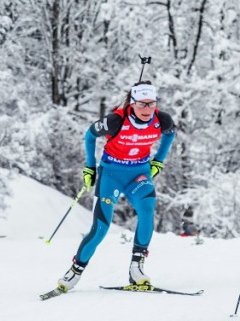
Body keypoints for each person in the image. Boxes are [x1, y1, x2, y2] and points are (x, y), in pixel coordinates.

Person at [56, 82, 176, 291]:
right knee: (101, 228)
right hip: (111, 174)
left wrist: (158, 160)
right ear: (132, 102)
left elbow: (170, 134)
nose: (147, 109)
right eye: (142, 104)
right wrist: (90, 167)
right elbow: (90, 135)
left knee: (147, 211)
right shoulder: (115, 121)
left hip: (139, 174)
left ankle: (136, 269)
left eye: (151, 104)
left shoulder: (161, 120)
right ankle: (75, 271)